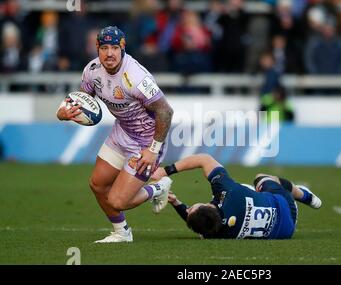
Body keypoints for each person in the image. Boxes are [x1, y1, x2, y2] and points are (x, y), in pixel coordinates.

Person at [56, 26, 174, 243]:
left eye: (114, 48)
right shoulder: (92, 71)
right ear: (97, 49)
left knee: (117, 201)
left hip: (147, 144)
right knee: (97, 184)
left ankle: (159, 187)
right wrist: (64, 112)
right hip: (122, 133)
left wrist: (153, 150)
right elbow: (82, 100)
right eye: (104, 48)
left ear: (122, 48)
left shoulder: (135, 77)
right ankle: (122, 233)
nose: (109, 53)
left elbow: (165, 111)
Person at [151, 154, 322, 239]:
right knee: (260, 178)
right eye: (192, 207)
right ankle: (304, 195)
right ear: (207, 206)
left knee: (249, 191)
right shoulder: (228, 192)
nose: (189, 208)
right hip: (285, 205)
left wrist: (175, 202)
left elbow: (196, 221)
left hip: (286, 232)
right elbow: (204, 159)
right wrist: (166, 171)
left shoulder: (214, 233)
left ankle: (298, 195)